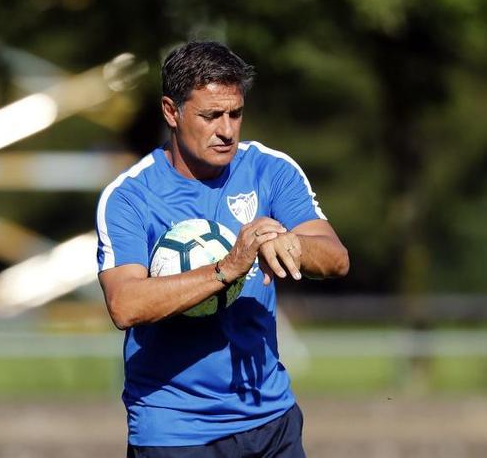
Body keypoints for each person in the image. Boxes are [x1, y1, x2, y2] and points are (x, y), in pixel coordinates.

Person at [95, 41, 349, 457]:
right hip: (175, 430)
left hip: (270, 420)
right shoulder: (129, 197)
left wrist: (293, 245)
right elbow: (125, 304)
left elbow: (336, 258)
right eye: (211, 116)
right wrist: (226, 268)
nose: (227, 130)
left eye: (235, 113)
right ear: (171, 112)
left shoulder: (270, 169)